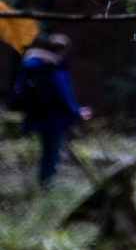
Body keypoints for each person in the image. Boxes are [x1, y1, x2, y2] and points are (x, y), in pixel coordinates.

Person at [11, 33, 91, 187]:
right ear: (62, 50)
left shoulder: (30, 64)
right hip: (52, 118)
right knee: (51, 152)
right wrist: (77, 111)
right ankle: (46, 185)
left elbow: (18, 91)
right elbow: (63, 94)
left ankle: (30, 184)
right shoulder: (55, 67)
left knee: (36, 152)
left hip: (32, 115)